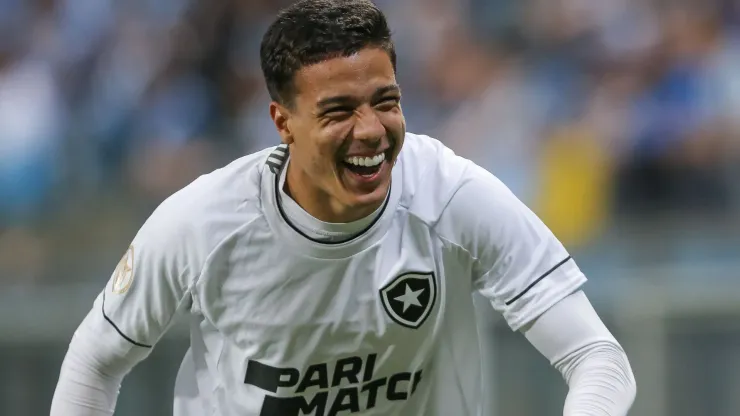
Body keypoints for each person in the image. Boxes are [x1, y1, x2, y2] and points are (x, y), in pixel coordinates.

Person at [50, 0, 636, 415]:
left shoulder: (448, 195)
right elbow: (95, 362)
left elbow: (598, 358)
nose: (371, 131)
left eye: (386, 101)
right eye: (338, 111)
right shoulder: (202, 223)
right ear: (283, 121)